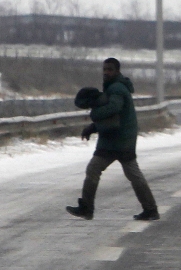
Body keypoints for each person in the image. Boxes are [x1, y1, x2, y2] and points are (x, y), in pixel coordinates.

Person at [66, 58, 160, 221]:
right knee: (131, 174)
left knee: (96, 169)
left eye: (110, 69)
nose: (106, 72)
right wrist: (93, 127)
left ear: (117, 71)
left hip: (117, 139)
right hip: (119, 138)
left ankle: (87, 208)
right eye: (104, 69)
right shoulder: (114, 87)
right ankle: (150, 209)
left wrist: (94, 115)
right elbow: (113, 117)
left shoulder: (116, 88)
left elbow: (114, 108)